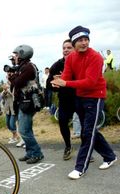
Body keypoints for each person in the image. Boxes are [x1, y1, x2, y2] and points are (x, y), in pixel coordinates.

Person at [51, 25, 117, 179]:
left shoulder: (96, 57)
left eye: (86, 39)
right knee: (90, 130)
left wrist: (66, 84)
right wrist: (59, 81)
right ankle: (110, 156)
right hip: (80, 96)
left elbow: (90, 82)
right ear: (74, 43)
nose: (84, 42)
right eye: (80, 40)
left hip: (95, 96)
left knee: (87, 133)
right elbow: (67, 74)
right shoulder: (72, 57)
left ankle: (80, 167)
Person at [9, 45, 44, 164]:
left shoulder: (28, 67)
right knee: (27, 129)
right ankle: (30, 153)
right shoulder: (23, 67)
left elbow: (17, 83)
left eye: (17, 54)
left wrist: (12, 77)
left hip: (28, 102)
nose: (15, 57)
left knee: (24, 130)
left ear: (23, 54)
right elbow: (15, 82)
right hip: (23, 102)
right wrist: (14, 76)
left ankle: (37, 153)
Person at [47, 39, 80, 160]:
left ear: (74, 49)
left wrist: (67, 81)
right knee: (62, 122)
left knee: (85, 124)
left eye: (69, 48)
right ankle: (68, 146)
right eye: (64, 48)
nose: (66, 50)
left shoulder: (80, 61)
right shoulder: (57, 65)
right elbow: (48, 84)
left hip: (79, 98)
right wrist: (55, 84)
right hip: (65, 99)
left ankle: (87, 149)